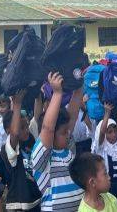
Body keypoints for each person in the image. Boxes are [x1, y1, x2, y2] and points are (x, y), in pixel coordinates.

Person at [31, 72, 84, 211]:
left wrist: (79, 86)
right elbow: (48, 128)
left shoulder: (68, 151)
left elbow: (72, 117)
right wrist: (57, 93)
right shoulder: (43, 158)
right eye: (63, 132)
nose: (68, 134)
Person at [1, 90, 42, 211]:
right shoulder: (8, 148)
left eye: (27, 126)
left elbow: (37, 117)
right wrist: (17, 103)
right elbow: (15, 133)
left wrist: (37, 93)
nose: (26, 130)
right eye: (22, 127)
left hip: (36, 198)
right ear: (9, 131)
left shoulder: (31, 139)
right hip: (19, 204)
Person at [92, 102, 117, 211]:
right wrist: (107, 112)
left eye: (115, 131)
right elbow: (102, 131)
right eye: (110, 132)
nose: (113, 134)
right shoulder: (102, 146)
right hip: (110, 186)